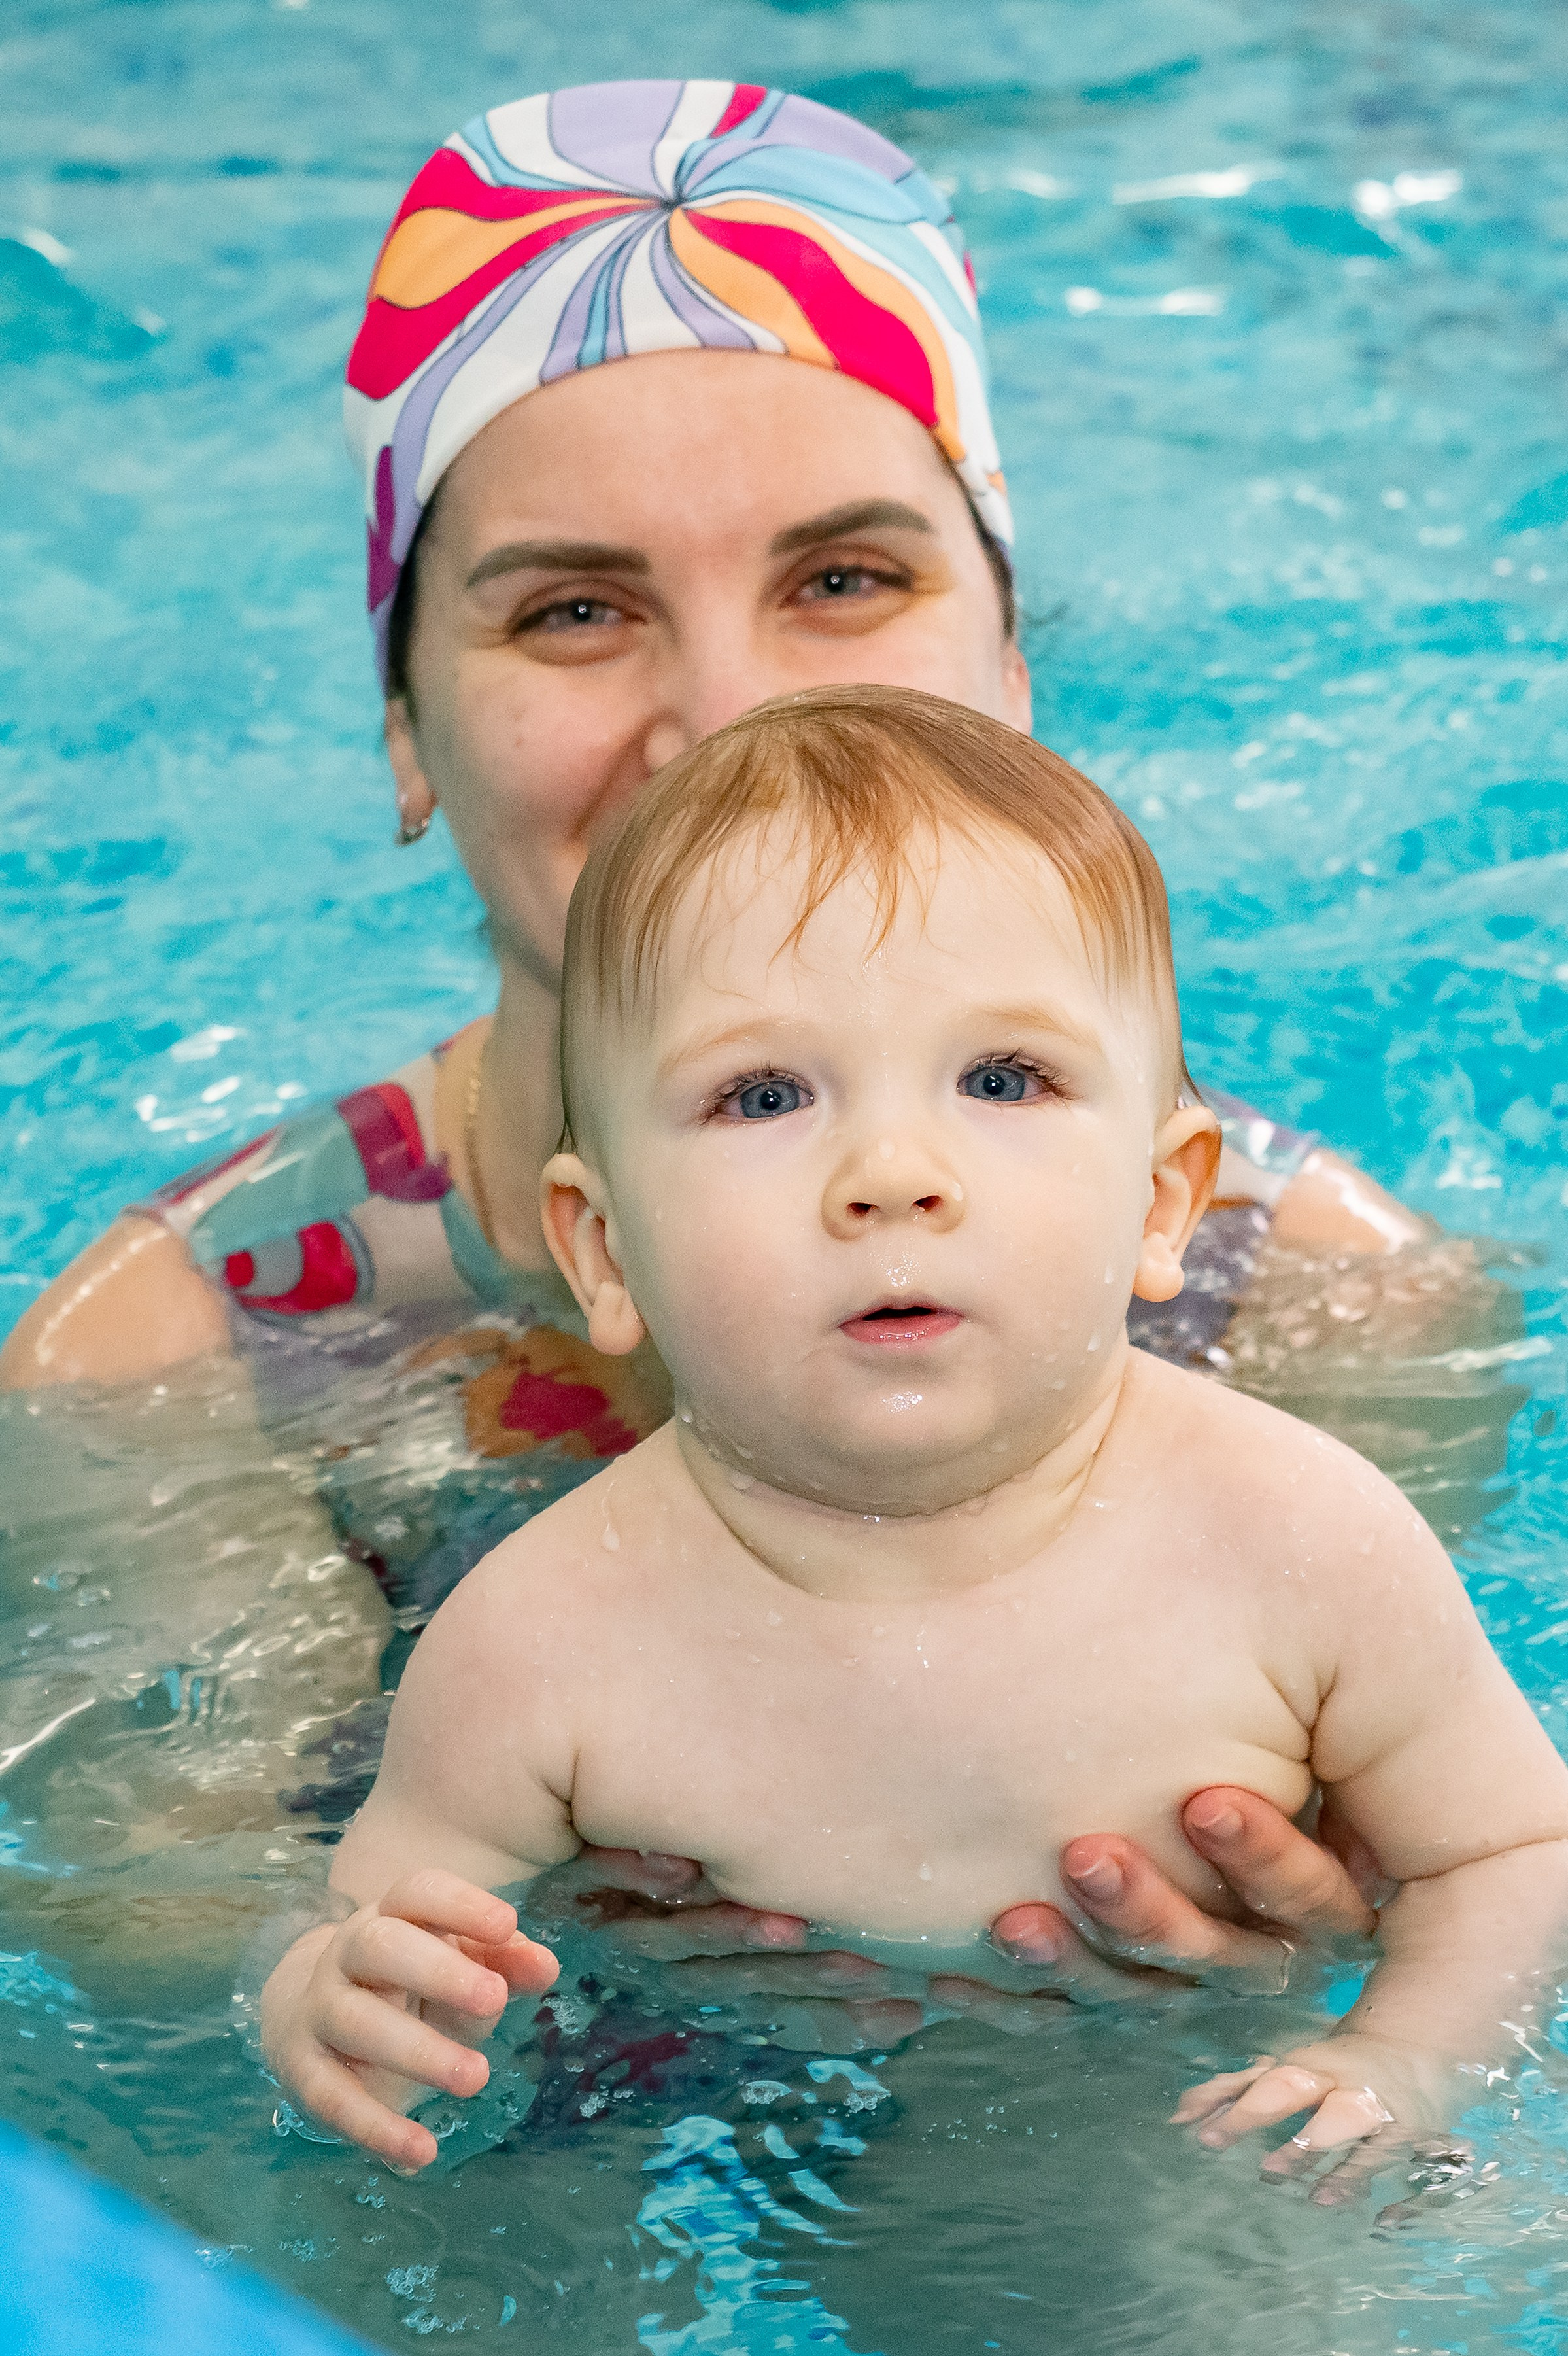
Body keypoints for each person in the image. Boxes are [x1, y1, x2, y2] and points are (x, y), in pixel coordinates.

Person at [2, 79, 1413, 2007]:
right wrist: (455, 1952)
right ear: (407, 730)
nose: (721, 718)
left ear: (1007, 667)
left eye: (842, 580)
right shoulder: (188, 1365)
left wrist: (1301, 1940)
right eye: (575, 609)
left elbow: (1449, 1881)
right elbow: (143, 1972)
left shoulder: (1305, 1308)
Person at [260, 686, 1568, 2194]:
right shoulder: (539, 1642)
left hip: (1178, 2128)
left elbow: (1510, 1853)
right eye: (763, 1094)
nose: (891, 1174)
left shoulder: (1291, 1536)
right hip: (700, 2126)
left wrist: (1397, 2056)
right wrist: (323, 2000)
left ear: (1162, 1203)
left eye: (1002, 1080)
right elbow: (377, 1934)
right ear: (603, 1248)